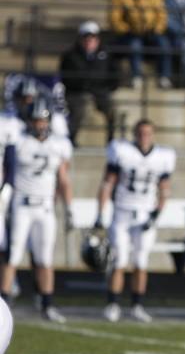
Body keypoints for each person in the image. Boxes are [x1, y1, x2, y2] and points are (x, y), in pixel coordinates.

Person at [0, 98, 73, 323]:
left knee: (45, 258)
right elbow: (7, 172)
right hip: (21, 205)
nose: (39, 124)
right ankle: (3, 303)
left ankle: (47, 304)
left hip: (45, 207)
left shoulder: (59, 144)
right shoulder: (19, 141)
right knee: (13, 255)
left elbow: (63, 178)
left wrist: (68, 208)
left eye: (42, 120)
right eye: (35, 120)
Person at [95, 120, 174, 324]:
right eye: (140, 133)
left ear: (153, 135)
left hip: (145, 214)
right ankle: (113, 304)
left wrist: (156, 216)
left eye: (147, 133)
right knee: (119, 260)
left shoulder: (162, 157)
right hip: (122, 211)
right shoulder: (122, 151)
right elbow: (107, 183)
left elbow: (165, 189)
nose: (144, 137)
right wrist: (100, 215)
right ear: (135, 134)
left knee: (141, 262)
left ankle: (137, 306)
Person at [109, 0, 171, 89]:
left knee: (164, 44)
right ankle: (136, 77)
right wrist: (126, 29)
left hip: (151, 32)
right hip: (130, 33)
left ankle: (164, 77)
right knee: (134, 45)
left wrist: (157, 29)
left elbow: (162, 15)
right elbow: (114, 18)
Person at [59, 21, 117, 146]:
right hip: (77, 92)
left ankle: (111, 140)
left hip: (100, 91)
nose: (89, 41)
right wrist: (83, 85)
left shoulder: (107, 55)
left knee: (111, 108)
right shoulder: (70, 56)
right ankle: (71, 139)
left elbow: (115, 74)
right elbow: (65, 78)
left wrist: (108, 87)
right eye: (86, 38)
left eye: (93, 38)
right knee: (80, 108)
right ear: (80, 39)